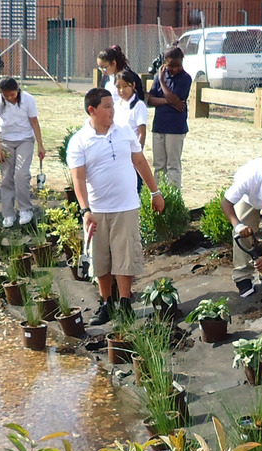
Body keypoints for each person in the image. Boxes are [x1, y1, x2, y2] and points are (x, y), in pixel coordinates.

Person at [66, 87, 164, 326]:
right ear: (92, 110)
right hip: (97, 210)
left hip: (127, 206)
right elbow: (78, 178)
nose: (112, 111)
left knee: (125, 257)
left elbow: (139, 161)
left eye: (113, 105)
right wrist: (85, 210)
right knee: (101, 259)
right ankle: (107, 304)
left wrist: (155, 192)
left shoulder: (124, 133)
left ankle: (125, 303)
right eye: (107, 106)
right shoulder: (79, 141)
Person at [0, 76, 45, 227]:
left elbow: (34, 121)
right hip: (5, 140)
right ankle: (8, 213)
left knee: (21, 174)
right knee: (7, 176)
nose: (9, 98)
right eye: (5, 96)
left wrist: (40, 144)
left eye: (12, 95)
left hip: (25, 139)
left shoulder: (28, 99)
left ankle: (25, 209)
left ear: (17, 89)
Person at [219, 156, 262, 297]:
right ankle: (242, 277)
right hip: (248, 197)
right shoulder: (249, 178)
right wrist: (238, 226)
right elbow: (226, 203)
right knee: (242, 228)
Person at [147, 45, 192, 190]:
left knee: (173, 165)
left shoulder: (185, 78)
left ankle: (173, 197)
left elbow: (175, 98)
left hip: (175, 128)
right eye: (171, 66)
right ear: (164, 64)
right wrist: (170, 100)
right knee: (159, 165)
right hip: (159, 125)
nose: (175, 69)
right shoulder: (159, 76)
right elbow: (150, 100)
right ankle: (159, 195)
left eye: (177, 65)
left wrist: (162, 84)